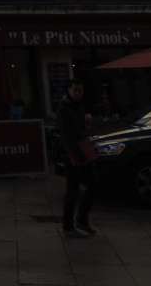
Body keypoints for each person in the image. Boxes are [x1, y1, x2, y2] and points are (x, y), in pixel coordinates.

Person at [58, 79, 96, 238]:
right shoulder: (64, 108)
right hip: (72, 153)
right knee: (72, 190)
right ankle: (68, 226)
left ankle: (81, 219)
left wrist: (87, 125)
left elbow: (80, 129)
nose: (78, 93)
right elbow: (67, 135)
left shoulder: (79, 106)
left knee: (93, 184)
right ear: (69, 90)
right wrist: (75, 155)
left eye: (80, 90)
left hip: (83, 150)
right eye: (75, 90)